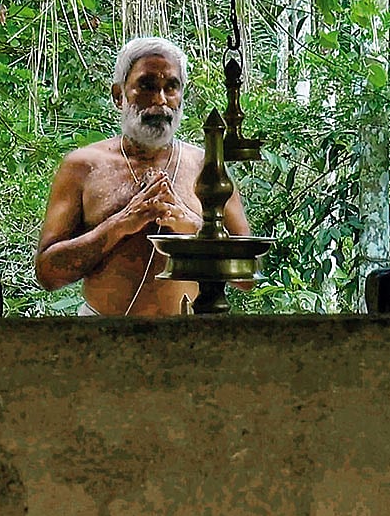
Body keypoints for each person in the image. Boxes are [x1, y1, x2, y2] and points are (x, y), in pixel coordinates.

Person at [35, 37, 251, 316]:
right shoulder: (82, 166)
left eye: (170, 87)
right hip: (101, 337)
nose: (160, 100)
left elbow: (246, 277)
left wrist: (193, 226)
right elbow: (48, 274)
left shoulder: (206, 167)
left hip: (192, 338)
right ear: (118, 95)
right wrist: (120, 224)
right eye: (147, 86)